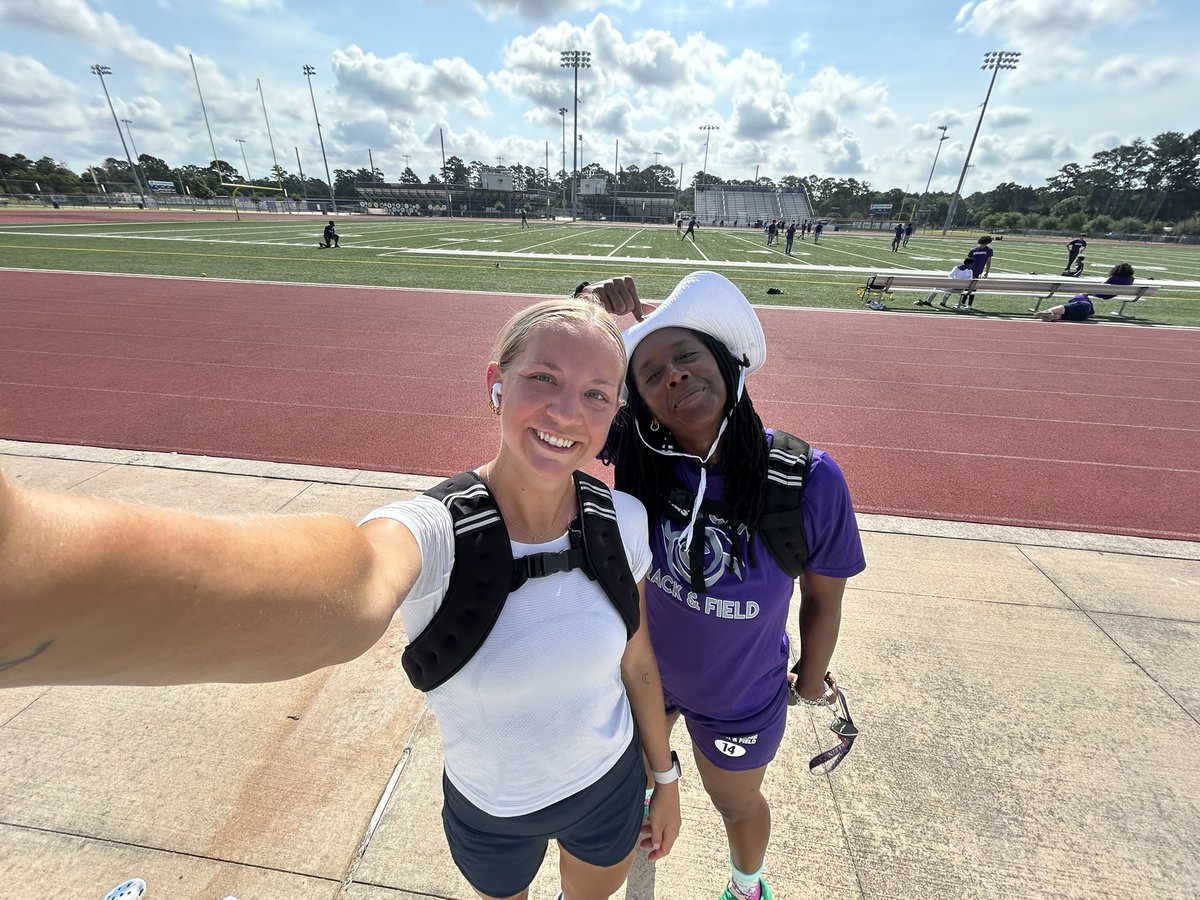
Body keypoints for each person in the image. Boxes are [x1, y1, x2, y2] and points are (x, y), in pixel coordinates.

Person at [0, 297, 681, 900]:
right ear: (495, 385)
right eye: (543, 378)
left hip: (605, 790)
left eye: (597, 394)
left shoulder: (623, 522)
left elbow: (638, 661)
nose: (568, 411)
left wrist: (666, 778)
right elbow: (355, 580)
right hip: (490, 808)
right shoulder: (434, 532)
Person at [582, 272, 866, 900]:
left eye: (686, 356)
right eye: (651, 374)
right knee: (622, 793)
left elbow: (824, 595)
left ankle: (746, 886)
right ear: (643, 404)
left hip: (738, 696)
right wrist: (590, 314)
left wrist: (813, 680)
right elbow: (569, 392)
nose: (673, 376)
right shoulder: (639, 458)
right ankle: (598, 879)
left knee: (736, 805)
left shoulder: (806, 480)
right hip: (642, 678)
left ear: (728, 364)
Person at [960, 235, 994, 310]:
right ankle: (962, 302)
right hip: (969, 270)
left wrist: (987, 272)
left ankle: (969, 304)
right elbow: (967, 261)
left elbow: (988, 262)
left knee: (973, 288)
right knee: (966, 286)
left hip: (978, 271)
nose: (982, 245)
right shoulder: (973, 250)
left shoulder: (988, 250)